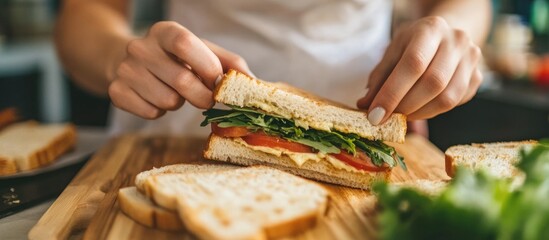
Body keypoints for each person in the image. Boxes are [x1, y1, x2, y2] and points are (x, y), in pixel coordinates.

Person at [55, 0, 491, 137]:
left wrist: (449, 37)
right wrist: (117, 55)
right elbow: (84, 13)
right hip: (178, 121)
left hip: (360, 117)